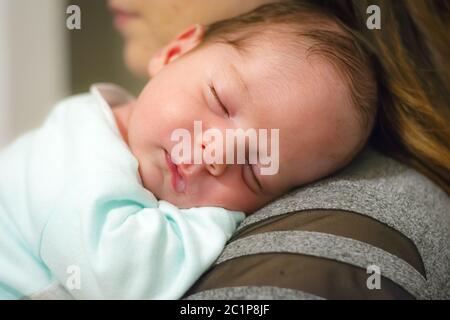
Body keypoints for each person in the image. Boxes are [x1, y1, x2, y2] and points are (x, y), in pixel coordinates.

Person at [0, 2, 377, 299]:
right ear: (174, 52)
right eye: (221, 104)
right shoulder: (77, 153)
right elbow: (124, 280)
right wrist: (219, 220)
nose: (217, 156)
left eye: (252, 170)